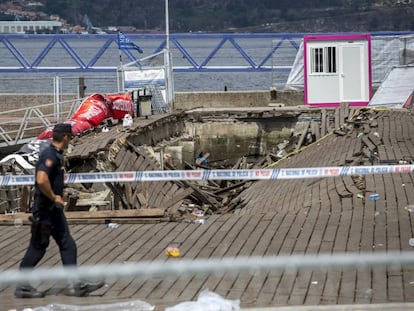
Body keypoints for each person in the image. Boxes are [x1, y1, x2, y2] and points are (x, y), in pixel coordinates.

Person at [15, 123, 104, 298]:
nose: (70, 140)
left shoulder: (56, 154)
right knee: (38, 247)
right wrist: (54, 196)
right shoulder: (49, 155)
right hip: (44, 210)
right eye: (70, 137)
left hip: (54, 211)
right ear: (64, 137)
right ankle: (22, 286)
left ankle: (77, 285)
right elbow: (41, 179)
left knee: (68, 244)